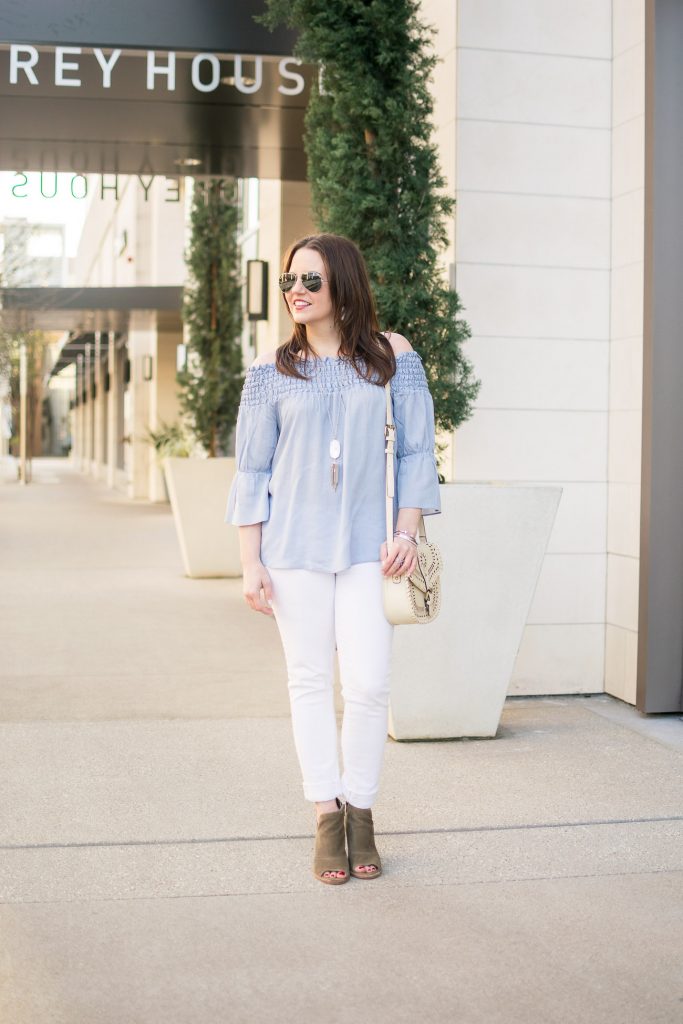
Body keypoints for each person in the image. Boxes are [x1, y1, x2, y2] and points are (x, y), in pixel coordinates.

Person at [225, 233, 441, 885]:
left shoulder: (391, 357)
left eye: (311, 280)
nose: (296, 290)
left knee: (370, 685)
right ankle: (327, 814)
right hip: (291, 550)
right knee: (310, 682)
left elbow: (415, 451)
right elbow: (252, 467)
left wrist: (406, 531)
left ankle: (362, 811)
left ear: (343, 285)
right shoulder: (270, 370)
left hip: (371, 553)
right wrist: (249, 561)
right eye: (290, 279)